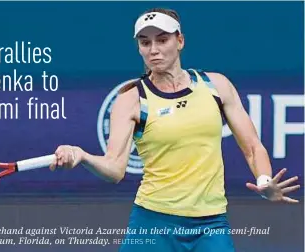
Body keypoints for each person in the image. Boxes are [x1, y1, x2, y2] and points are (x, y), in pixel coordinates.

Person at [49, 8, 301, 252]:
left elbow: (253, 147)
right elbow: (114, 169)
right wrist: (83, 156)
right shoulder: (131, 99)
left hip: (211, 224)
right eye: (145, 42)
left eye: (162, 40)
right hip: (153, 222)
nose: (154, 50)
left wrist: (264, 181)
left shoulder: (216, 86)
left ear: (180, 41)